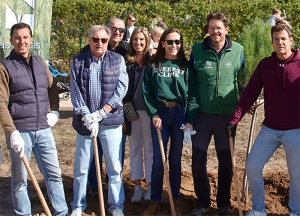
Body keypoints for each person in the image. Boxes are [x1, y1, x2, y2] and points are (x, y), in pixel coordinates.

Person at [226, 23, 300, 216]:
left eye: (283, 38)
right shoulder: (265, 65)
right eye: (276, 39)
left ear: (291, 41)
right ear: (272, 42)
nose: (280, 42)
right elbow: (250, 93)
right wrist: (234, 120)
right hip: (270, 129)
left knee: (297, 174)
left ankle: (296, 211)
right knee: (252, 165)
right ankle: (258, 209)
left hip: (296, 130)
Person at [0, 23, 68, 216]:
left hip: (43, 129)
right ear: (11, 40)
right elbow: (1, 102)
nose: (22, 41)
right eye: (17, 38)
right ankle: (23, 214)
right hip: (20, 131)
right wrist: (12, 132)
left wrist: (55, 110)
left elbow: (52, 86)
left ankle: (61, 212)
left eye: (25, 37)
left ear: (31, 39)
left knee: (54, 174)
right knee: (20, 179)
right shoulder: (4, 67)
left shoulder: (40, 62)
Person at [189, 12, 246, 215]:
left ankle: (223, 203)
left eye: (219, 27)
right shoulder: (197, 50)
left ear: (226, 29)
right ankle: (202, 202)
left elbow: (243, 81)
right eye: (211, 27)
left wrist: (240, 110)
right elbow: (192, 86)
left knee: (226, 162)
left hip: (227, 117)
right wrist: (191, 116)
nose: (215, 31)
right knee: (197, 162)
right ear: (207, 29)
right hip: (202, 117)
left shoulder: (238, 50)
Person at [70, 24, 128, 216]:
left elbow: (121, 89)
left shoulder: (117, 60)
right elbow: (75, 91)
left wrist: (102, 113)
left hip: (110, 122)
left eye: (103, 40)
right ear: (89, 40)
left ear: (107, 41)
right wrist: (87, 115)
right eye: (95, 39)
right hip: (85, 124)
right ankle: (78, 206)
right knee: (81, 168)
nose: (99, 43)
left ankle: (116, 206)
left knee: (114, 168)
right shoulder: (77, 61)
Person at [142, 28, 199, 216]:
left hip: (179, 115)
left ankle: (174, 199)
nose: (174, 45)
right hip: (160, 114)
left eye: (178, 42)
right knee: (159, 161)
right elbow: (146, 93)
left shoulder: (186, 67)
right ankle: (155, 200)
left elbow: (193, 96)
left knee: (175, 160)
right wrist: (153, 114)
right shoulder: (153, 65)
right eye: (170, 41)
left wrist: (190, 121)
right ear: (163, 43)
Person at [124, 27, 153, 203]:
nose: (138, 43)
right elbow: (124, 92)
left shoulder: (153, 61)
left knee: (149, 148)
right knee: (135, 149)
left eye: (141, 40)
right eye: (135, 40)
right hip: (132, 110)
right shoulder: (127, 62)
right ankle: (137, 187)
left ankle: (150, 186)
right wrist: (126, 116)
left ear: (147, 41)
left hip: (149, 111)